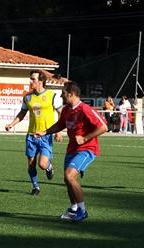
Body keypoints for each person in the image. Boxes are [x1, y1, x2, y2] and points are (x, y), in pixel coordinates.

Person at [35, 81, 107, 221]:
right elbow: (60, 124)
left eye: (63, 95)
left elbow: (103, 127)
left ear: (72, 94)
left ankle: (82, 210)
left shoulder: (85, 109)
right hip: (72, 149)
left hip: (87, 149)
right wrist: (45, 132)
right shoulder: (67, 109)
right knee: (67, 180)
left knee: (70, 176)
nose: (62, 97)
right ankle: (73, 208)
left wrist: (85, 138)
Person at [5, 69, 63, 195]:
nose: (31, 81)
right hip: (31, 135)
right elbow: (22, 113)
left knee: (42, 164)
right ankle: (35, 187)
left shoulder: (52, 96)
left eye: (33, 79)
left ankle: (49, 167)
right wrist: (11, 124)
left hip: (46, 135)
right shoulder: (27, 97)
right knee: (31, 165)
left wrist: (59, 131)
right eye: (30, 79)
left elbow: (61, 113)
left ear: (41, 81)